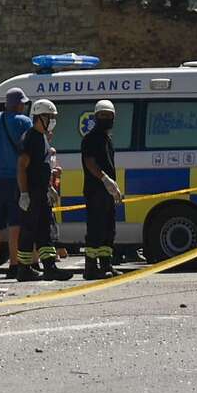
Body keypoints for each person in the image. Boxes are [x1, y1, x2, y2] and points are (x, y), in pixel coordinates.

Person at [15, 98, 73, 282]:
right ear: (39, 117)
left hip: (41, 191)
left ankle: (49, 267)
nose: (52, 121)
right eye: (50, 117)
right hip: (31, 192)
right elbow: (22, 167)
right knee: (29, 231)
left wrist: (49, 188)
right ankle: (23, 269)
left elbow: (42, 166)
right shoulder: (31, 138)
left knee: (44, 230)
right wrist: (24, 193)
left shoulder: (41, 138)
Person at [0, 89, 32, 275]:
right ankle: (14, 264)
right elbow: (29, 152)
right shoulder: (24, 122)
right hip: (15, 179)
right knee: (15, 224)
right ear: (19, 104)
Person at [78, 99, 122, 280]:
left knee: (108, 228)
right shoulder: (91, 138)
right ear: (96, 117)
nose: (106, 118)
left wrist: (112, 185)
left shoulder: (107, 139)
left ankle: (106, 264)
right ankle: (90, 267)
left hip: (106, 191)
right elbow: (90, 162)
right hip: (96, 190)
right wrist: (104, 179)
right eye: (102, 115)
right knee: (96, 229)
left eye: (109, 115)